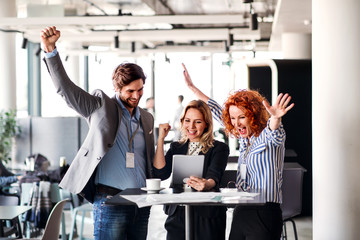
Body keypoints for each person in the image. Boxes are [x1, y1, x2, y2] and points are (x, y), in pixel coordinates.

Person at [40, 26, 156, 240]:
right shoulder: (100, 106)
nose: (136, 95)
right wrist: (50, 51)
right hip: (110, 200)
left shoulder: (147, 118)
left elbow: (148, 160)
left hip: (141, 202)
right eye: (130, 91)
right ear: (117, 88)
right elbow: (66, 90)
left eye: (140, 90)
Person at [182, 63, 294, 240]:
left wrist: (275, 118)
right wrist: (192, 88)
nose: (236, 123)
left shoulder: (268, 137)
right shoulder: (244, 139)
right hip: (241, 210)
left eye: (242, 117)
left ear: (254, 115)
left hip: (264, 211)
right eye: (233, 118)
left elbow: (275, 132)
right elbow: (216, 110)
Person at [153, 100, 230, 240]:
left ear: (206, 123)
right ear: (182, 122)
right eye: (187, 121)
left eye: (198, 122)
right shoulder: (176, 147)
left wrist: (206, 184)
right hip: (178, 213)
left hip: (206, 215)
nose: (191, 126)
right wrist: (160, 140)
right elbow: (160, 173)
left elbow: (214, 175)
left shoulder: (219, 148)